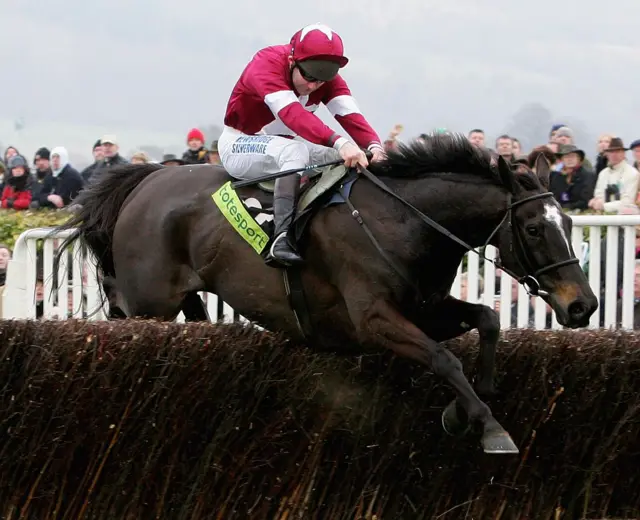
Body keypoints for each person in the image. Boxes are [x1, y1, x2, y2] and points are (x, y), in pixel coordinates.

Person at [218, 23, 385, 267]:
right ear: (291, 61)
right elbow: (293, 116)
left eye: (321, 80)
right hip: (239, 143)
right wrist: (341, 143)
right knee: (298, 151)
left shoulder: (322, 79)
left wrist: (375, 146)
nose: (313, 86)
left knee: (334, 158)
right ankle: (281, 239)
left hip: (282, 147)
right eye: (308, 76)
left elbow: (349, 115)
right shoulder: (265, 65)